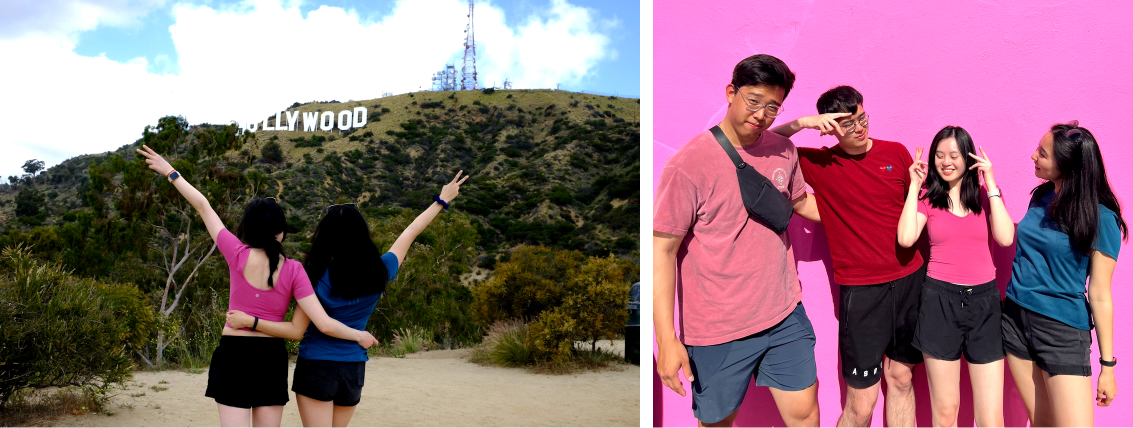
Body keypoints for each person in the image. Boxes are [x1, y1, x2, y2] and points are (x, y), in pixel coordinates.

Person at [134, 145, 380, 427]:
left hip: (233, 355)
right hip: (270, 361)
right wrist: (358, 336)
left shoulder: (235, 253)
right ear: (281, 231)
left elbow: (203, 206)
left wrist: (171, 172)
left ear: (247, 230)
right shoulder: (295, 270)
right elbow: (306, 328)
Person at [654, 54, 822, 427]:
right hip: (717, 328)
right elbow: (661, 251)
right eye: (753, 101)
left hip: (783, 315)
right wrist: (666, 339)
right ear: (731, 93)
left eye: (773, 106)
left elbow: (799, 203)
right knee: (717, 424)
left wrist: (868, 210)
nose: (761, 114)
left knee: (806, 416)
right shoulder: (688, 164)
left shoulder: (783, 150)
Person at [226, 171, 468, 427]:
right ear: (362, 234)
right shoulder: (381, 270)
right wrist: (442, 200)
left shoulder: (312, 275)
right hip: (353, 367)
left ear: (325, 238)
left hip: (317, 365)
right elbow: (411, 231)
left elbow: (307, 324)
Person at [772, 85, 926, 427]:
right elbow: (762, 145)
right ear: (831, 127)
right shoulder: (820, 162)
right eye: (849, 123)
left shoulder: (896, 153)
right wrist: (805, 123)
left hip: (909, 282)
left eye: (862, 118)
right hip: (862, 291)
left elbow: (912, 210)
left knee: (901, 378)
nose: (860, 128)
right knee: (862, 402)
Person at [1001, 121, 1126, 426]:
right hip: (1016, 320)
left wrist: (1107, 367)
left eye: (1042, 154)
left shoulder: (1102, 219)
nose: (1033, 156)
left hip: (1062, 333)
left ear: (1067, 166)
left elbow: (1099, 293)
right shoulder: (1041, 196)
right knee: (1042, 422)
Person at [896, 126, 1015, 427]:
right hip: (940, 303)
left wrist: (991, 182)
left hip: (984, 305)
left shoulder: (985, 198)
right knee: (946, 412)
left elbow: (1004, 237)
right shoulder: (927, 198)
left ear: (968, 158)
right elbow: (907, 238)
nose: (945, 162)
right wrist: (913, 186)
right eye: (939, 155)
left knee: (990, 418)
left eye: (953, 155)